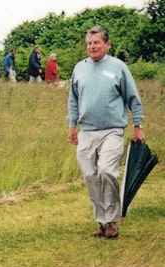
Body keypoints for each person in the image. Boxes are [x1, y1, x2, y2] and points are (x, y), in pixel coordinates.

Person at [67, 26, 145, 239]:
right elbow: (73, 100)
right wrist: (72, 125)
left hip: (112, 130)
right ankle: (101, 222)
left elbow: (133, 98)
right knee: (91, 176)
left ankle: (112, 221)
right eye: (89, 43)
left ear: (107, 45)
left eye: (96, 43)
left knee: (106, 171)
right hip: (86, 132)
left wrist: (138, 126)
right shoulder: (79, 69)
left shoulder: (118, 68)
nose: (92, 47)